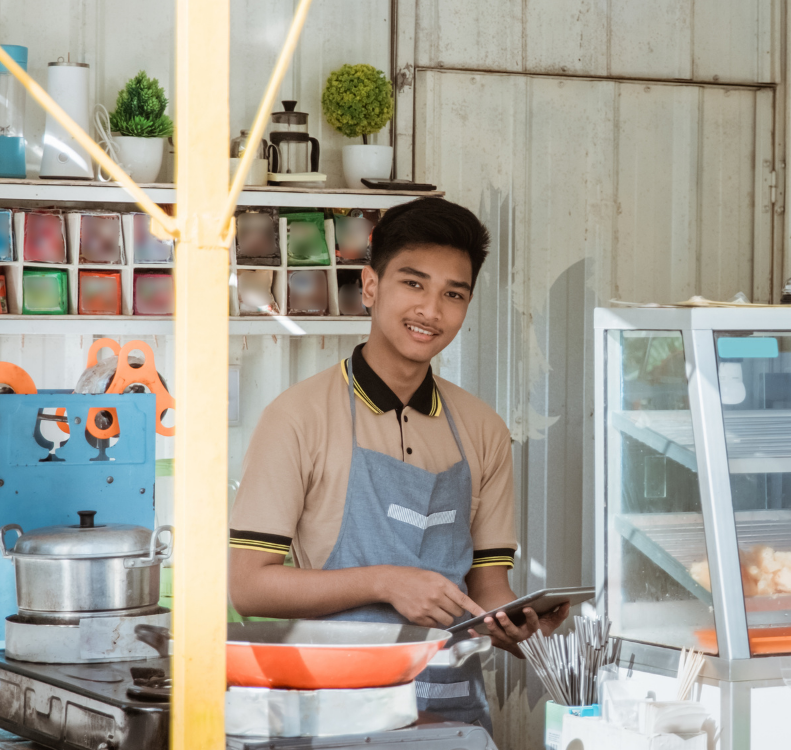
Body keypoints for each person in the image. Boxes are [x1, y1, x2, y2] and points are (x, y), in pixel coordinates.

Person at [228, 197, 566, 730]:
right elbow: (248, 586)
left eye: (453, 294)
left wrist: (525, 629)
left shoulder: (482, 429)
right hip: (331, 712)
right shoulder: (297, 418)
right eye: (414, 284)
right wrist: (387, 582)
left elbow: (487, 591)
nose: (431, 310)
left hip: (452, 715)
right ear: (370, 286)